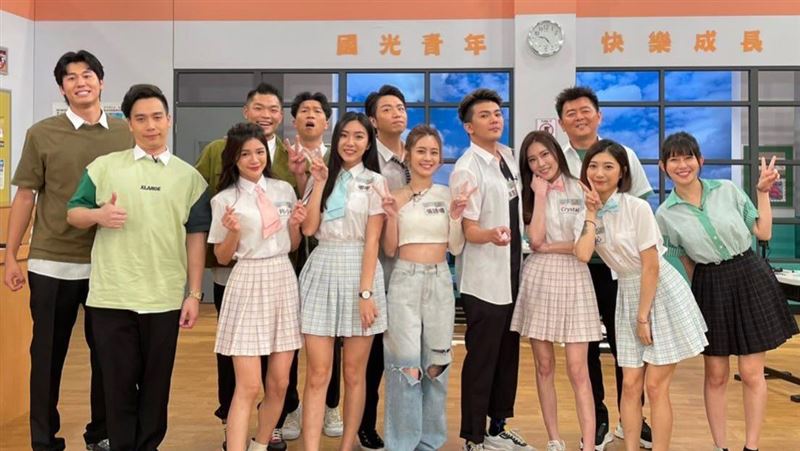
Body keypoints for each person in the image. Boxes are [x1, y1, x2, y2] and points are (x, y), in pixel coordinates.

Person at [65, 84, 210, 451]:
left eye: (157, 117)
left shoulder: (189, 178)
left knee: (156, 386)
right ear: (128, 124)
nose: (151, 126)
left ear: (169, 120)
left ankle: (148, 446)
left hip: (163, 298)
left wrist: (194, 294)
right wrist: (99, 215)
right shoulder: (104, 167)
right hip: (111, 297)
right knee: (116, 385)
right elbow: (74, 213)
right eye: (141, 119)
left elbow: (196, 237)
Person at [4, 49, 132, 451]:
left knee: (108, 355)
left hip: (108, 262)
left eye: (88, 74)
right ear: (62, 88)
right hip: (51, 261)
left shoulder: (125, 133)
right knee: (46, 356)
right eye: (71, 77)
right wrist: (11, 255)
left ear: (101, 82)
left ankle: (101, 434)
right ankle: (44, 440)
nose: (81, 82)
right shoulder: (42, 133)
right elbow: (26, 196)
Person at [654, 132, 799, 451]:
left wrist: (762, 192)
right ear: (664, 167)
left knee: (751, 372)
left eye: (688, 157)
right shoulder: (665, 215)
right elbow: (683, 263)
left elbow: (762, 231)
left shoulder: (728, 190)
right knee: (716, 374)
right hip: (710, 284)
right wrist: (683, 303)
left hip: (748, 275)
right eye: (674, 159)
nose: (682, 164)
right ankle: (720, 447)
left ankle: (751, 447)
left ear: (700, 161)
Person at [574, 139, 707, 451]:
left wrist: (643, 317)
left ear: (622, 172)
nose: (599, 173)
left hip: (658, 291)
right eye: (593, 166)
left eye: (608, 166)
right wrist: (591, 213)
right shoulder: (588, 212)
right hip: (627, 292)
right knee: (631, 384)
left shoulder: (636, 207)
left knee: (655, 385)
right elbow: (582, 254)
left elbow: (651, 266)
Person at [195, 82, 298, 450]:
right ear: (233, 159)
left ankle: (260, 443)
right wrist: (233, 233)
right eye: (245, 154)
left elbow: (293, 244)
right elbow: (223, 257)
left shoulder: (284, 190)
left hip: (282, 278)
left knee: (280, 382)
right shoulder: (224, 199)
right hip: (247, 279)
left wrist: (297, 224)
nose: (254, 159)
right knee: (249, 384)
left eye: (258, 152)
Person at [555, 86, 653, 450]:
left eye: (585, 111)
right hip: (577, 265)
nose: (579, 117)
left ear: (599, 116)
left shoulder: (623, 153)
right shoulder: (557, 160)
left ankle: (633, 417)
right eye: (571, 113)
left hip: (620, 269)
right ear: (561, 122)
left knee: (627, 344)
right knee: (586, 347)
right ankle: (596, 417)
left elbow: (640, 205)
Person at [450, 88, 533, 451]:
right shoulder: (467, 169)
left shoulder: (508, 157)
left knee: (506, 357)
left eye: (497, 113)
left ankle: (497, 428)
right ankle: (474, 437)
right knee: (482, 361)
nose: (494, 119)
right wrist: (491, 234)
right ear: (469, 127)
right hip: (484, 280)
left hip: (512, 275)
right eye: (484, 115)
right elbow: (468, 229)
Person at [298, 112, 386, 451]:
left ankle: (346, 445)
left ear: (368, 143)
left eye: (359, 136)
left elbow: (373, 240)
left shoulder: (376, 182)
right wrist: (319, 182)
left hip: (361, 270)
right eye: (345, 135)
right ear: (336, 140)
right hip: (323, 266)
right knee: (318, 373)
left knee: (353, 373)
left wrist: (366, 292)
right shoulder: (320, 175)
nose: (351, 142)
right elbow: (308, 229)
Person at [510, 131, 602, 451]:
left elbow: (583, 245)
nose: (540, 163)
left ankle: (588, 444)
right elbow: (535, 239)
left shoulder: (580, 187)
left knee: (578, 369)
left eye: (545, 155)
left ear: (556, 153)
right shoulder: (530, 193)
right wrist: (539, 196)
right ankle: (554, 439)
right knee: (544, 365)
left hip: (576, 278)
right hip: (539, 278)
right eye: (532, 160)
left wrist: (552, 246)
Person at [380, 125, 466, 450]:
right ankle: (402, 442)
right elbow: (390, 248)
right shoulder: (395, 197)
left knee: (437, 363)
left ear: (440, 158)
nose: (427, 158)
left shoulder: (447, 195)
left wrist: (456, 218)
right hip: (404, 280)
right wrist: (391, 216)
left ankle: (430, 441)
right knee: (405, 364)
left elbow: (455, 247)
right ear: (407, 155)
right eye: (421, 151)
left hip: (440, 280)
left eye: (434, 152)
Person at [281, 91, 347, 441]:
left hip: (327, 256)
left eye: (317, 111)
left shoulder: (337, 158)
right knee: (289, 337)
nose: (310, 115)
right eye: (304, 110)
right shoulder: (277, 156)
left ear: (326, 121)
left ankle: (331, 403)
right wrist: (298, 177)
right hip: (287, 259)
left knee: (330, 337)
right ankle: (292, 407)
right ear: (294, 120)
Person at [360, 84, 411, 450]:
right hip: (379, 267)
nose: (397, 113)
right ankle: (365, 423)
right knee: (372, 356)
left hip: (414, 266)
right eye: (388, 109)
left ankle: (404, 426)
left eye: (401, 107)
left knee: (406, 352)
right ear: (374, 120)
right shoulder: (368, 162)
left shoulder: (416, 153)